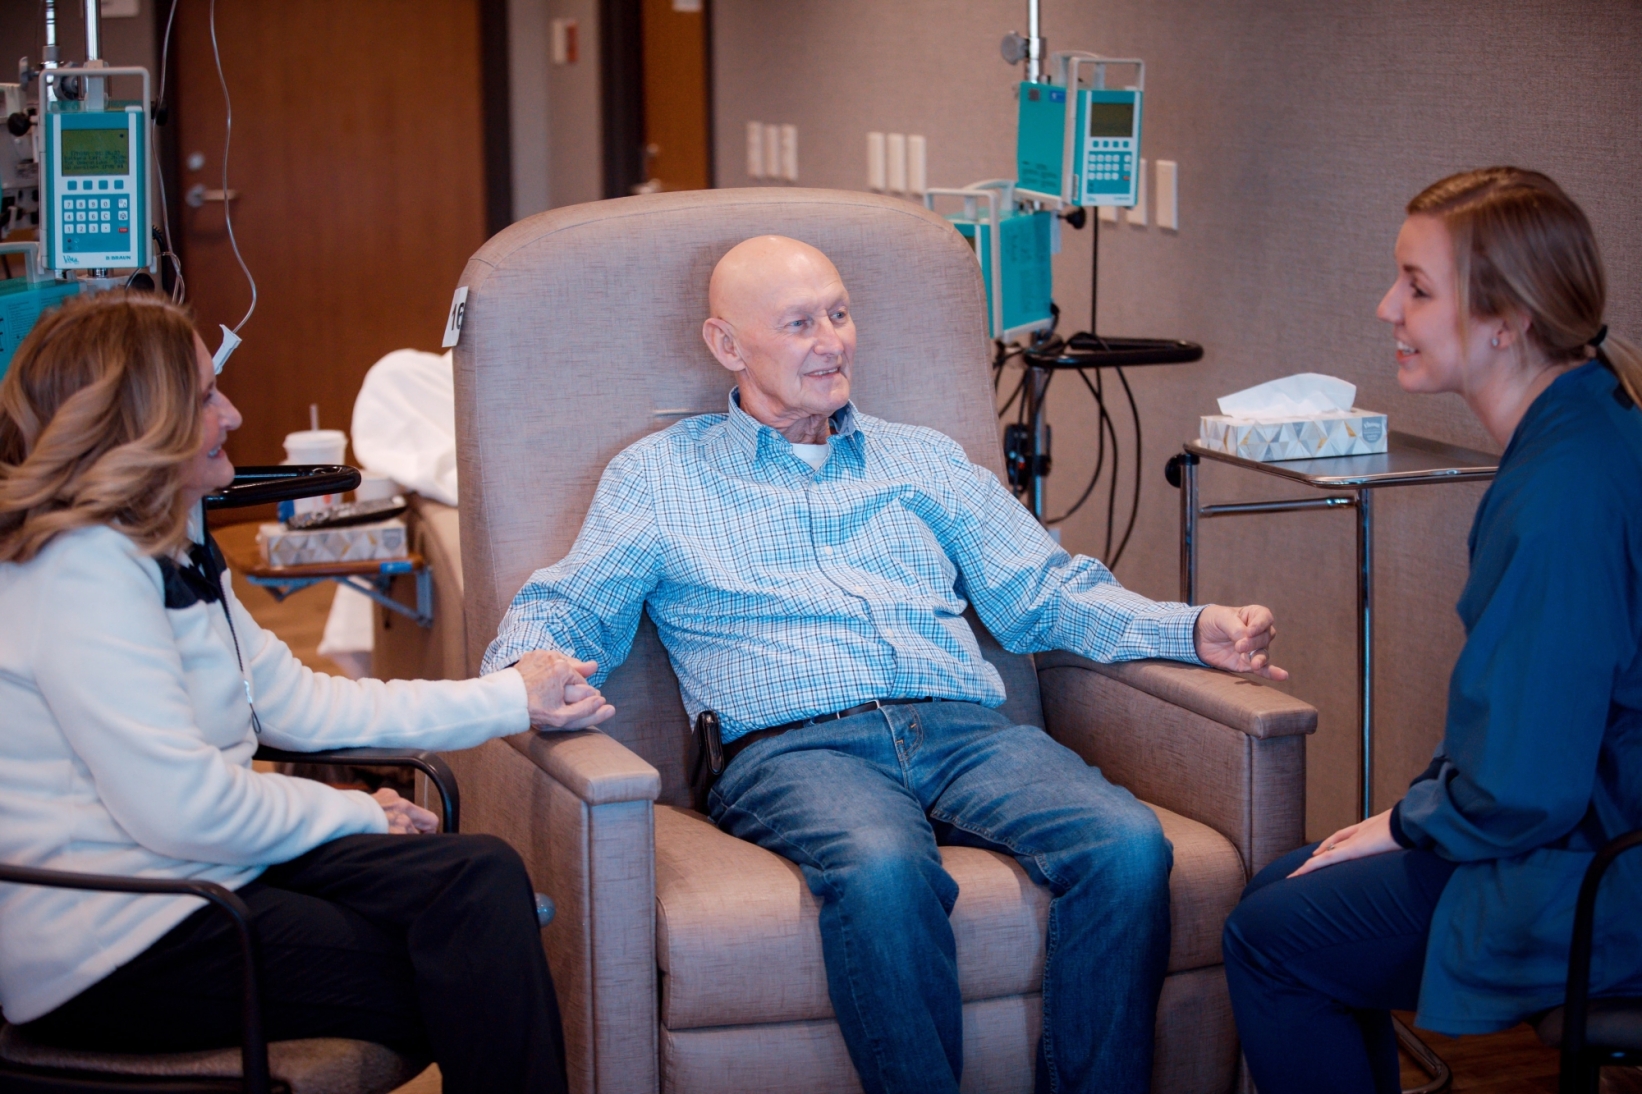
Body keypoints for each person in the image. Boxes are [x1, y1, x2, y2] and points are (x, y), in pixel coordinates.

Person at [484, 234, 1288, 1094]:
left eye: (839, 313)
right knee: (884, 871)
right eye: (799, 323)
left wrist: (1188, 629)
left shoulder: (925, 460)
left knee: (1127, 846)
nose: (832, 341)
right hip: (794, 748)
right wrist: (527, 673)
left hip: (962, 726)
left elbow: (1040, 591)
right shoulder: (658, 476)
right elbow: (573, 604)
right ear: (727, 345)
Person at [0, 292, 615, 1093]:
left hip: (197, 873)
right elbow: (183, 807)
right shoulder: (81, 570)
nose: (233, 411)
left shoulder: (165, 541)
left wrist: (509, 697)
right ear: (145, 423)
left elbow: (298, 704)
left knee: (478, 881)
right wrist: (361, 811)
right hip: (118, 940)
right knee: (472, 971)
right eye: (206, 395)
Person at [1222, 167, 1642, 1094]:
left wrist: (1408, 824)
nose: (1386, 309)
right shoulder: (1591, 426)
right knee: (1282, 894)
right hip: (1584, 826)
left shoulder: (1561, 498)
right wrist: (1402, 820)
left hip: (1598, 873)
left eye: (1416, 287)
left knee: (1269, 939)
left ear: (1507, 319)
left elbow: (1527, 787)